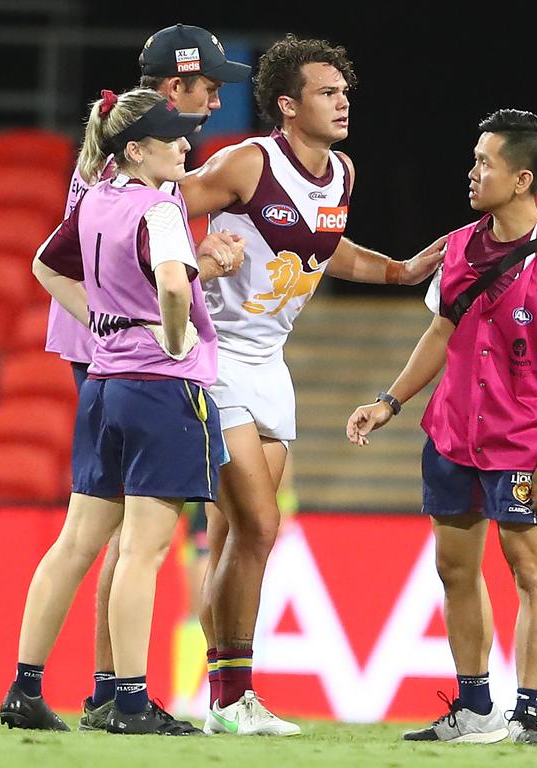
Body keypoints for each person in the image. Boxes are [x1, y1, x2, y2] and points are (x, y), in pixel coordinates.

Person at [177, 34, 446, 735]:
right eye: (328, 93)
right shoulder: (248, 163)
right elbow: (163, 206)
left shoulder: (342, 173)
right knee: (260, 525)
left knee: (239, 531)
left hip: (272, 364)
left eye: (345, 92)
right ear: (289, 105)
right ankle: (233, 699)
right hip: (215, 355)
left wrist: (402, 270)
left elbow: (325, 250)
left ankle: (226, 702)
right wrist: (196, 254)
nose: (342, 102)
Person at [21, 22, 249, 732]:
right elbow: (162, 282)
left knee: (94, 537)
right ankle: (119, 693)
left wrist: (112, 324)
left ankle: (57, 687)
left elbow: (52, 261)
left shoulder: (106, 173)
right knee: (133, 544)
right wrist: (167, 317)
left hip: (106, 365)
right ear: (173, 89)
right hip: (140, 371)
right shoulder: (149, 188)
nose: (212, 106)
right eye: (207, 90)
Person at [346, 109, 537, 747]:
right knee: (455, 570)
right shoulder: (457, 246)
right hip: (453, 435)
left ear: (521, 179)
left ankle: (529, 714)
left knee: (528, 570)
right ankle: (475, 708)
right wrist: (391, 401)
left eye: (485, 162)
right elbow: (439, 332)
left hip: (522, 442)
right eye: (474, 158)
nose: (472, 171)